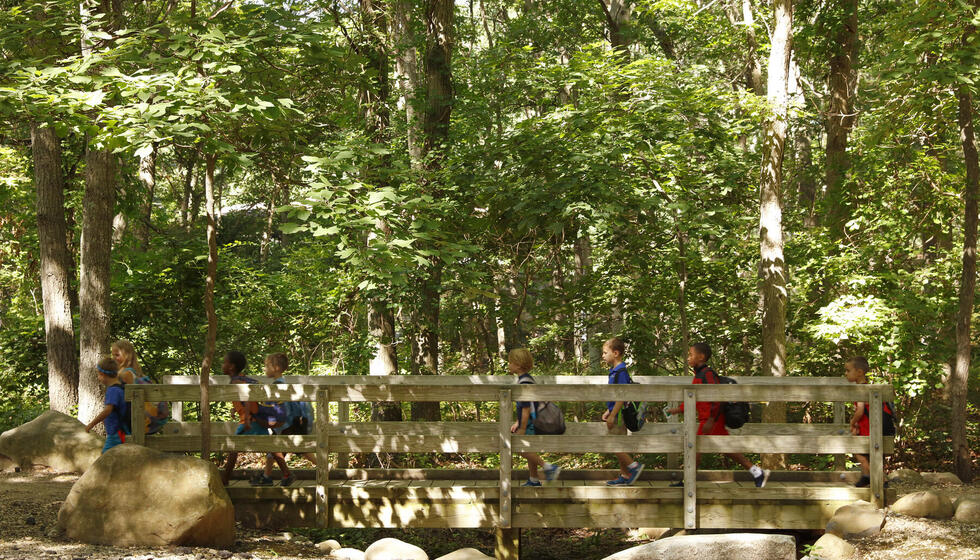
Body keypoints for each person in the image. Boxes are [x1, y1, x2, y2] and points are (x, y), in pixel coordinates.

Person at [666, 343, 769, 488]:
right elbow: (694, 399)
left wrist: (711, 420)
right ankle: (756, 472)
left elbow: (717, 396)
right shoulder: (699, 375)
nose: (688, 357)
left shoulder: (707, 374)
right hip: (709, 420)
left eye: (691, 354)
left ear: (701, 357)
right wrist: (677, 410)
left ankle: (687, 481)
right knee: (716, 449)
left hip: (712, 420)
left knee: (696, 448)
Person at [252, 352, 316, 487]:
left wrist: (274, 423)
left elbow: (281, 408)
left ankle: (324, 468)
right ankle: (267, 476)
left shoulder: (278, 385)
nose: (265, 369)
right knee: (274, 450)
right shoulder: (284, 383)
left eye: (267, 366)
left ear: (276, 368)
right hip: (288, 424)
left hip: (285, 425)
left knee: (299, 450)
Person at [506, 348, 560, 487]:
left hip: (529, 422)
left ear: (518, 365)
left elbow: (526, 407)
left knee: (519, 448)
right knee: (530, 449)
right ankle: (534, 479)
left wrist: (522, 427)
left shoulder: (524, 383)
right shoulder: (526, 379)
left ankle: (548, 467)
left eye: (510, 362)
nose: (508, 364)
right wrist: (518, 421)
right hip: (529, 421)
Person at [845, 356, 896, 488]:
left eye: (848, 370)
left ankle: (875, 477)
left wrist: (852, 423)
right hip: (873, 425)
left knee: (857, 449)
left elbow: (860, 411)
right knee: (867, 453)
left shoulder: (861, 389)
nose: (846, 373)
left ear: (859, 372)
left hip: (870, 426)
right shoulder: (867, 386)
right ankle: (869, 476)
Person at [220, 351, 269, 485]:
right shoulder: (241, 378)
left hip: (250, 420)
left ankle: (225, 479)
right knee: (272, 448)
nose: (222, 365)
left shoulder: (237, 381)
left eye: (225, 362)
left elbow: (247, 397)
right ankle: (281, 473)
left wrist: (247, 418)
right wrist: (235, 408)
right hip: (255, 418)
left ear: (231, 367)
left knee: (233, 448)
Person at [601, 337, 644, 486]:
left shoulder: (621, 372)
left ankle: (634, 467)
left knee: (613, 444)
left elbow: (623, 395)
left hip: (619, 416)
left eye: (605, 353)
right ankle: (625, 475)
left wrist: (612, 415)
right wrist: (609, 410)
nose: (603, 355)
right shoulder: (615, 371)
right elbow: (615, 396)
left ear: (616, 353)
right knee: (619, 444)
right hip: (615, 412)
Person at [112, 339, 169, 434]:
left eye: (117, 355)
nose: (114, 358)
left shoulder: (125, 374)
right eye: (113, 355)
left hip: (140, 421)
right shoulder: (137, 373)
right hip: (149, 420)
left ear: (127, 356)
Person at [84, 357, 131, 453]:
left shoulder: (113, 390)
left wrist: (91, 424)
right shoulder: (120, 388)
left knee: (104, 458)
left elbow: (108, 410)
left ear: (103, 374)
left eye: (98, 374)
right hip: (119, 431)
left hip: (116, 433)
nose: (98, 377)